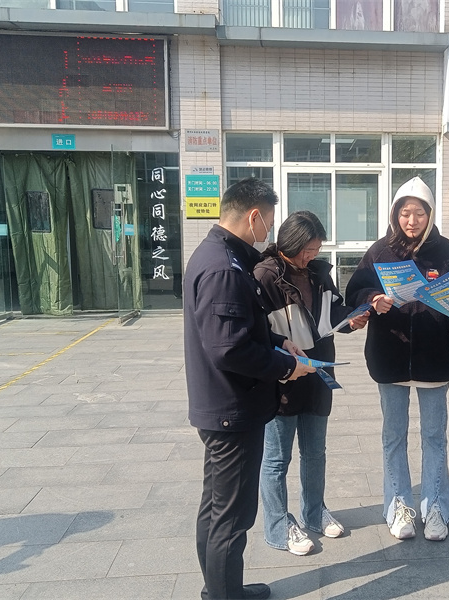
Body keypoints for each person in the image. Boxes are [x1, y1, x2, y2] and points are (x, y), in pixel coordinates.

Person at [184, 178, 315, 600]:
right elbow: (230, 349)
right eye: (269, 222)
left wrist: (278, 342)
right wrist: (287, 367)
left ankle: (223, 589)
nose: (269, 232)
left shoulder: (219, 256)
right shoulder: (224, 267)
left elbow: (240, 328)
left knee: (216, 509)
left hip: (222, 403)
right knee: (231, 517)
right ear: (254, 216)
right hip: (232, 407)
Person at [346, 176, 449, 542]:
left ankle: (435, 507)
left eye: (419, 213)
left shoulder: (444, 250)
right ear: (395, 214)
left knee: (435, 436)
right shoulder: (380, 251)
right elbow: (355, 290)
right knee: (394, 436)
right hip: (389, 356)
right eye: (405, 213)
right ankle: (399, 506)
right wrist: (373, 298)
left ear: (430, 214)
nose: (411, 220)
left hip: (433, 360)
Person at [254, 211, 370, 556]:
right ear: (290, 244)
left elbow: (333, 315)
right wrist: (281, 358)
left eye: (317, 249)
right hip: (283, 376)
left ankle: (314, 512)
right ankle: (278, 525)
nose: (312, 256)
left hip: (318, 373)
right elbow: (256, 332)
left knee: (315, 452)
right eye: (307, 250)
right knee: (277, 460)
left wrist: (353, 319)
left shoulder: (319, 274)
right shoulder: (265, 276)